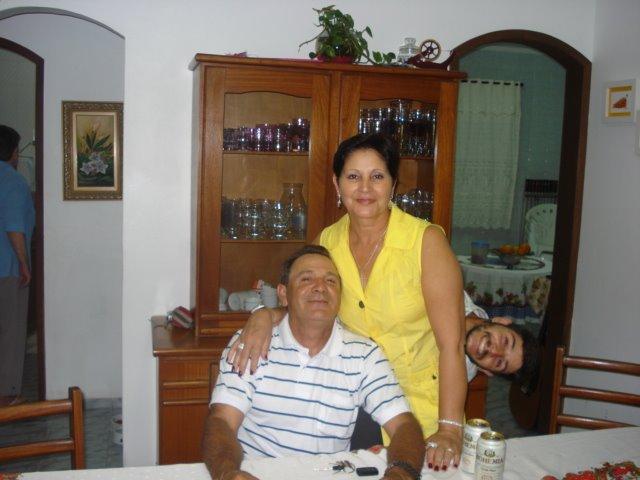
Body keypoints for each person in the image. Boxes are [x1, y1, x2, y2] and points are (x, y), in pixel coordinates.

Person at [230, 133, 467, 470]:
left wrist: (450, 429)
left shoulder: (426, 243)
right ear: (337, 184)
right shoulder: (328, 242)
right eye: (353, 176)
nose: (365, 188)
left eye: (377, 176)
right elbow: (301, 305)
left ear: (393, 184)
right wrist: (264, 315)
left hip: (420, 413)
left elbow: (452, 346)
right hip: (349, 408)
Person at [203, 245, 425, 480]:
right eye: (306, 279)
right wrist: (228, 473)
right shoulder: (251, 344)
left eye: (330, 281)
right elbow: (222, 421)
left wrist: (400, 474)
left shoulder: (364, 355)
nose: (320, 287)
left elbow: (403, 425)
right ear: (283, 294)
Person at [0, 125, 35, 407]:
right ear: (13, 152)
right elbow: (14, 227)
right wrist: (23, 263)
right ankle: (7, 394)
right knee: (10, 330)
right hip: (7, 269)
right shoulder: (12, 181)